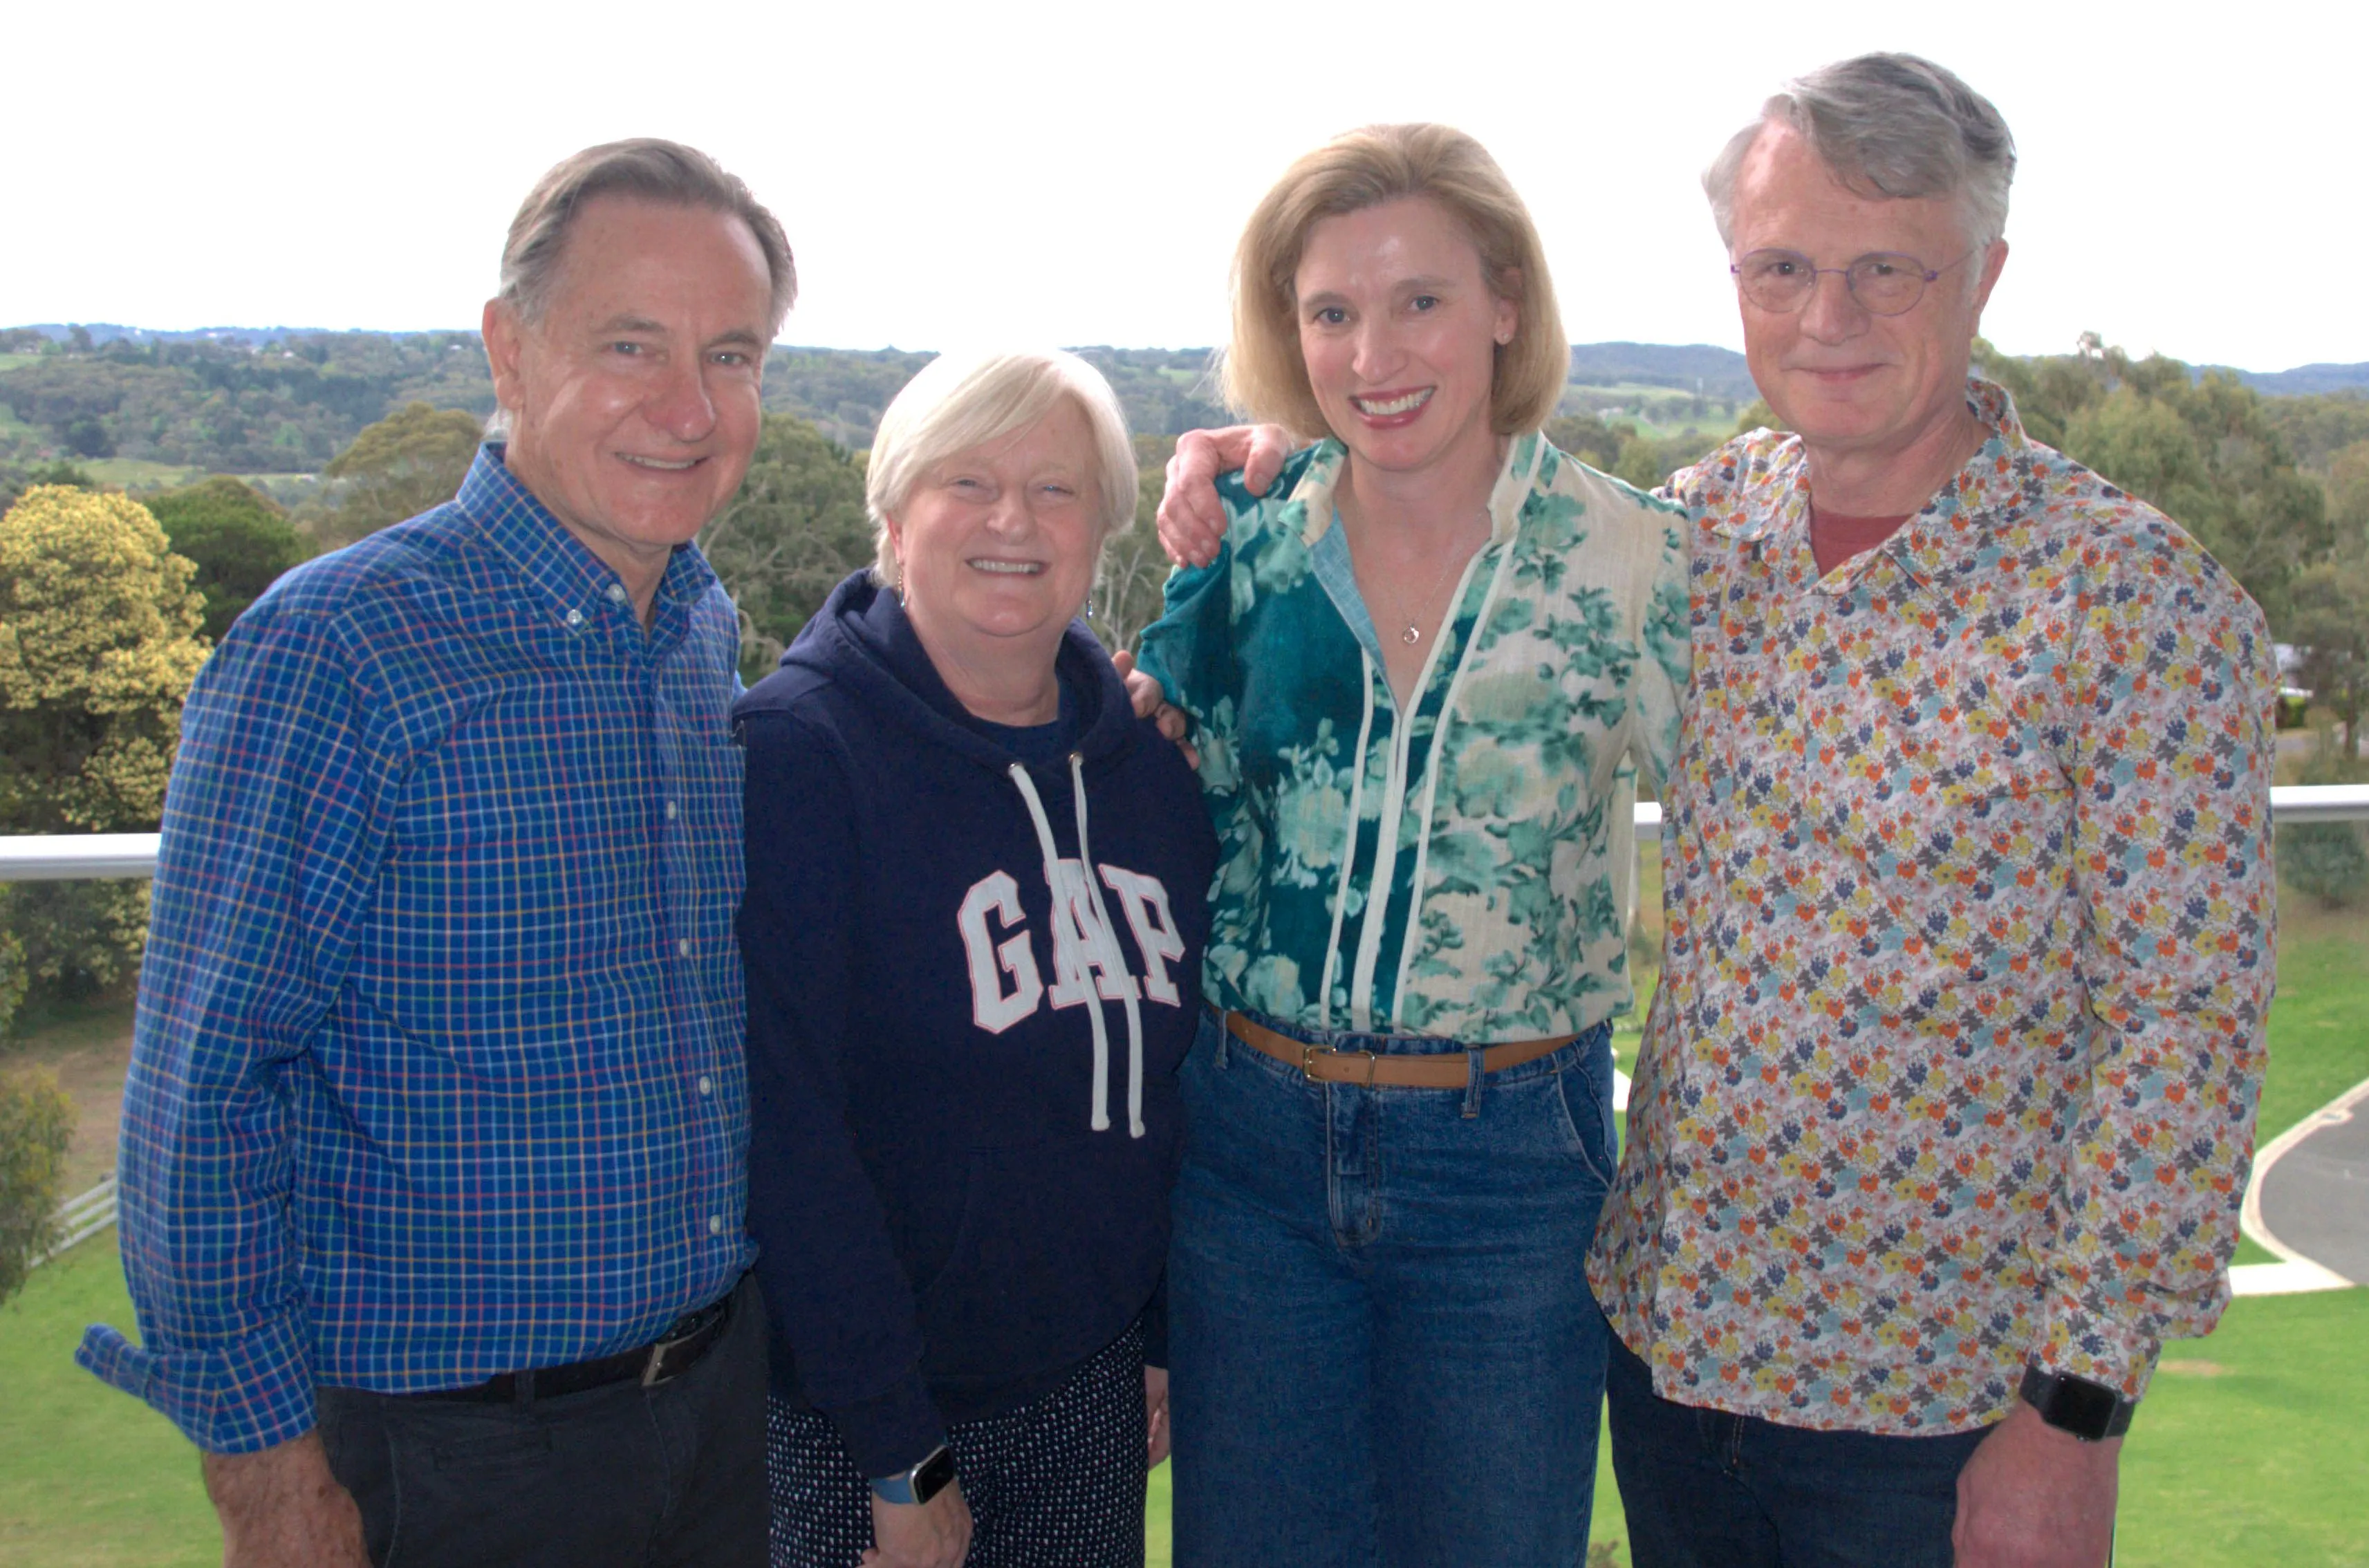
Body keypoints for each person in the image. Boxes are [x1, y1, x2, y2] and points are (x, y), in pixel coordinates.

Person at [1155, 56, 2276, 1568]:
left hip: (1937, 1395)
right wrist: (1244, 460)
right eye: (1784, 267)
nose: (1829, 317)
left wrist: (2073, 1413)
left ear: (1986, 272)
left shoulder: (2129, 600)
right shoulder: (1711, 535)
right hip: (1676, 1349)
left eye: (1888, 267)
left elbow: (2183, 1029)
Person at [79, 139, 794, 1568]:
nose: (689, 407)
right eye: (630, 347)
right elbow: (201, 1098)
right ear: (510, 352)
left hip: (715, 1410)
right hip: (459, 1458)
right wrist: (273, 1487)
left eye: (732, 355)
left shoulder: (695, 629)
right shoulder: (339, 650)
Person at [1126, 123, 1691, 1568]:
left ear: (1505, 301)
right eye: (1330, 312)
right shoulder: (1244, 549)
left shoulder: (1631, 563)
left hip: (1507, 1167)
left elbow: (1764, 855)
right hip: (1248, 1157)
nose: (1373, 352)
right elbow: (1138, 794)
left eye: (1418, 301)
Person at [733, 348, 1215, 1568]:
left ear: (1101, 531)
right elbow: (788, 1130)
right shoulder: (798, 757)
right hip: (861, 1414)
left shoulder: (1150, 777)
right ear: (895, 518)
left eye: (1055, 491)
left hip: (1086, 1389)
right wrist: (898, 1450)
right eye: (968, 482)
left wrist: (1156, 1331)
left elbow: (1173, 1083)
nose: (1013, 520)